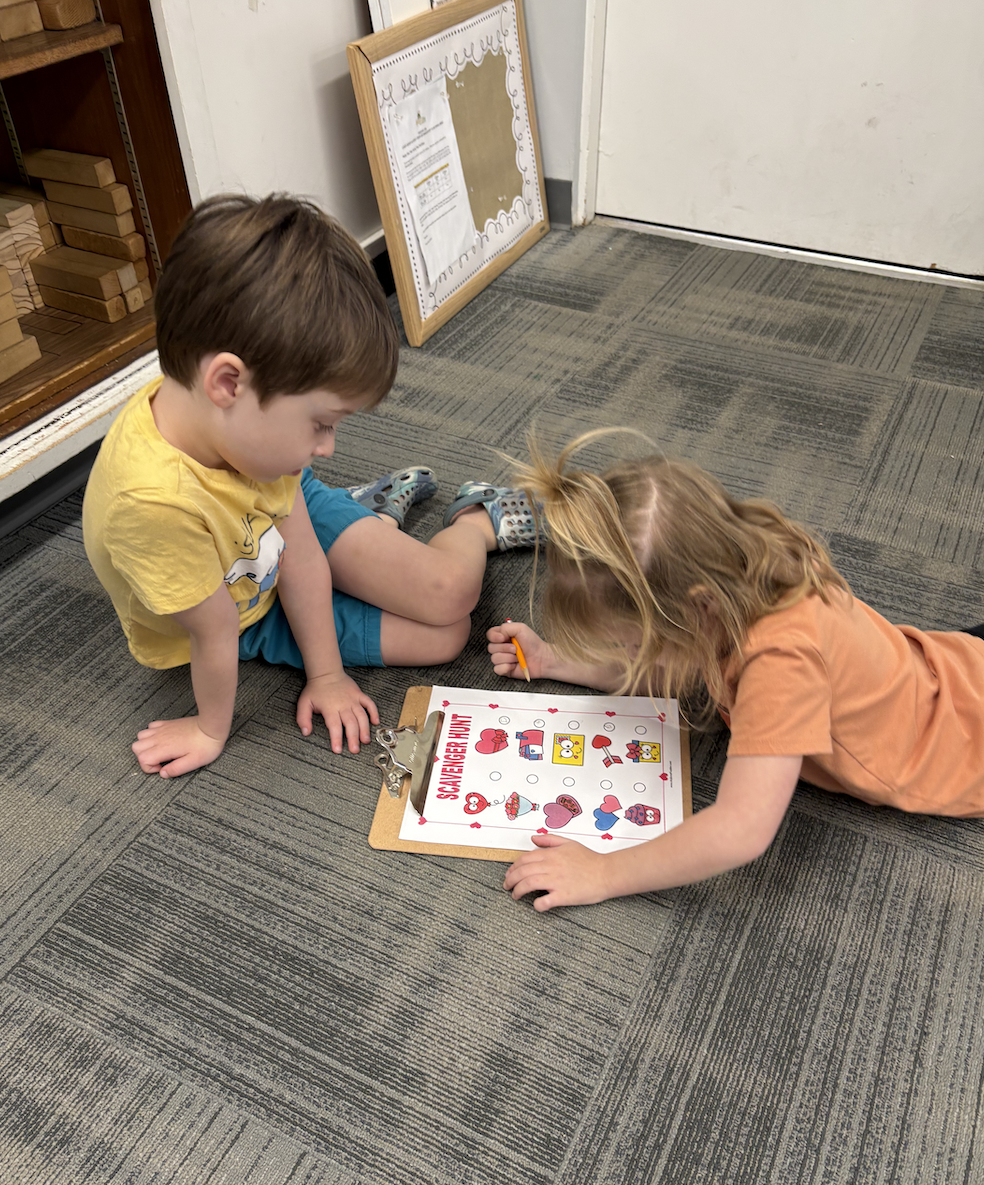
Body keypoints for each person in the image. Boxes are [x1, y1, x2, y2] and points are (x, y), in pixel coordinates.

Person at [83, 193, 543, 779]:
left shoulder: (249, 439)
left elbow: (298, 552)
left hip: (276, 516)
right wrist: (207, 729)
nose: (328, 447)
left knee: (452, 592)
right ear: (229, 384)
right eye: (321, 424)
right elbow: (216, 631)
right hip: (241, 612)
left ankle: (473, 520)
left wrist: (326, 672)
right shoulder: (153, 504)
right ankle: (374, 516)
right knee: (447, 638)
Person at [487, 428, 984, 911]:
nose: (627, 656)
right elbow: (670, 664)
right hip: (952, 666)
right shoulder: (735, 564)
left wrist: (603, 872)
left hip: (960, 751)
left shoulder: (781, 662)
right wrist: (554, 659)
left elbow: (742, 829)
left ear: (698, 611)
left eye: (630, 643)